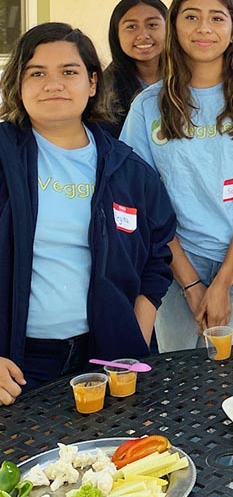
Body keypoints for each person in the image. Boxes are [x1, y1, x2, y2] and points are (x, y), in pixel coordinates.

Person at [0, 23, 175, 404]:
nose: (53, 84)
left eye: (69, 71)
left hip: (105, 361)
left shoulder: (127, 170)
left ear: (92, 83)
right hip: (15, 366)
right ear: (18, 83)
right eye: (37, 73)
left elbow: (157, 257)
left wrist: (134, 337)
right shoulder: (3, 156)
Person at [121, 0, 233, 351]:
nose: (204, 28)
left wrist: (223, 283)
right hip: (177, 260)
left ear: (232, 30)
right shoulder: (148, 106)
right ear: (174, 28)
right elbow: (148, 204)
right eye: (191, 17)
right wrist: (191, 283)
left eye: (217, 18)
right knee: (180, 384)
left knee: (229, 384)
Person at [102, 0, 167, 137]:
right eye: (131, 27)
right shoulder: (105, 92)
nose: (143, 35)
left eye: (152, 25)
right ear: (116, 34)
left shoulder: (191, 79)